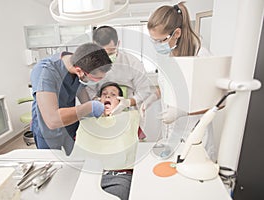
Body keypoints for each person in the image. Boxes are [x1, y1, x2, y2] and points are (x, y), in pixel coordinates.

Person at [142, 2, 216, 160]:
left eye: (160, 40)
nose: (156, 45)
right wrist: (150, 99)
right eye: (153, 40)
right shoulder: (166, 54)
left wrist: (182, 112)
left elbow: (216, 102)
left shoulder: (201, 55)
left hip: (195, 136)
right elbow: (166, 86)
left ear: (176, 33)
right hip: (171, 135)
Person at [30, 42, 112, 155]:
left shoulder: (81, 60)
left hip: (70, 126)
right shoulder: (45, 72)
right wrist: (90, 106)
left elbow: (80, 88)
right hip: (48, 131)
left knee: (74, 159)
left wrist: (96, 104)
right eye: (94, 79)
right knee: (53, 165)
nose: (95, 83)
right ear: (79, 71)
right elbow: (52, 120)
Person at [86, 25, 154, 140]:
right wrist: (98, 103)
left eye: (111, 51)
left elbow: (144, 90)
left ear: (118, 44)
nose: (106, 57)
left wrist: (127, 103)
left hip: (129, 115)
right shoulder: (90, 66)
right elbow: (88, 90)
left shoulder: (132, 63)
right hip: (101, 116)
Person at [76, 81, 137, 200]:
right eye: (104, 94)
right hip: (88, 174)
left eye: (113, 95)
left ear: (120, 102)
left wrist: (128, 103)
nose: (108, 96)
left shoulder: (130, 118)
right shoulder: (87, 121)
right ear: (98, 100)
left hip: (118, 176)